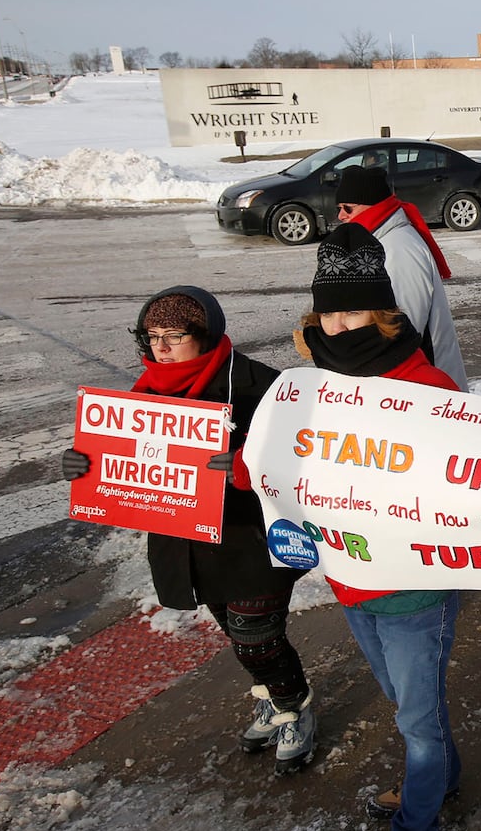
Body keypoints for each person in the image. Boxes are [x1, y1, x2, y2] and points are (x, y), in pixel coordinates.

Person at [296, 223, 481, 831]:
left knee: (416, 718)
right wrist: (238, 472)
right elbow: (281, 461)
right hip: (351, 577)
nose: (337, 323)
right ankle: (439, 775)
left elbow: (479, 464)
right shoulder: (315, 386)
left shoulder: (423, 382)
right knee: (406, 703)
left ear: (383, 313)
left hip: (414, 585)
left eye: (351, 309)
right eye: (327, 310)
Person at [60, 287, 314, 774]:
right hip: (188, 539)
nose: (162, 348)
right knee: (234, 629)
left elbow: (307, 455)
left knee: (255, 635)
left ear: (206, 334)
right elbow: (124, 460)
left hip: (251, 538)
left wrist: (244, 464)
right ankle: (273, 698)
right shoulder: (147, 391)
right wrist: (85, 464)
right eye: (153, 337)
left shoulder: (259, 385)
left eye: (175, 336)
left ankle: (295, 708)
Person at [334, 165, 467, 390]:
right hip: (409, 383)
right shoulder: (379, 242)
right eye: (338, 208)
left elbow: (402, 328)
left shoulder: (398, 249)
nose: (340, 215)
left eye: (347, 207)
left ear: (372, 206)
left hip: (426, 385)